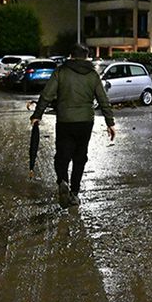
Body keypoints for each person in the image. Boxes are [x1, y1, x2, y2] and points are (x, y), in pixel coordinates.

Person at [30, 44, 116, 207]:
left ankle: (63, 181)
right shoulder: (92, 75)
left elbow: (47, 94)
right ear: (86, 56)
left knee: (62, 156)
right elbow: (103, 100)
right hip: (85, 122)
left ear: (71, 56)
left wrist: (37, 115)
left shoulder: (61, 72)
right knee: (80, 157)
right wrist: (110, 123)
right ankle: (74, 193)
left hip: (65, 121)